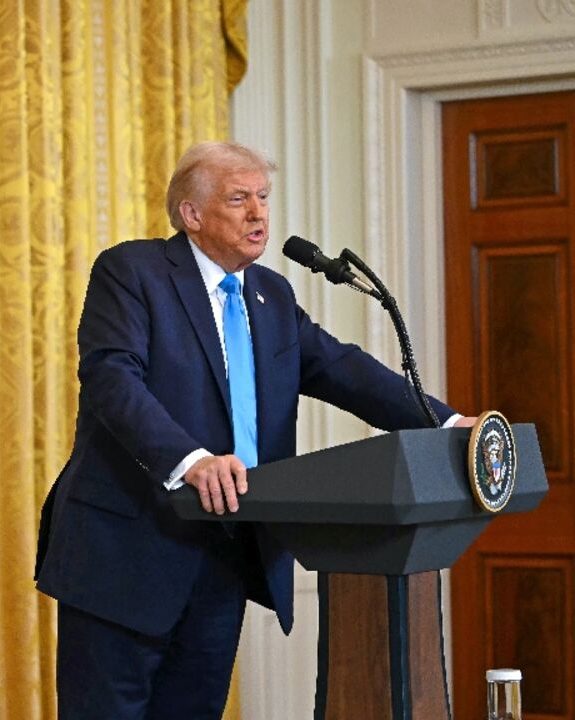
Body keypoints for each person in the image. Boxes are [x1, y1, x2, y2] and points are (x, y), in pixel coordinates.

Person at [33, 141, 475, 718]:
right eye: (238, 199)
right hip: (127, 555)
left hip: (225, 550)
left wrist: (446, 423)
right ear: (191, 215)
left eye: (263, 197)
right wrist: (188, 459)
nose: (258, 214)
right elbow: (112, 379)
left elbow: (342, 369)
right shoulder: (133, 271)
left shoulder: (271, 294)